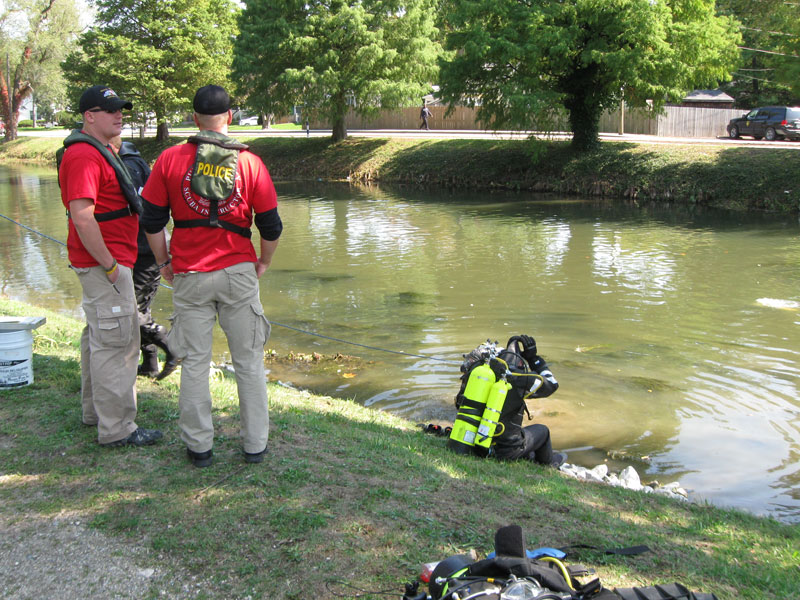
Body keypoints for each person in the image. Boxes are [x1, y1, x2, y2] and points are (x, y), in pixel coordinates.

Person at [140, 84, 282, 468]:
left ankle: (199, 447)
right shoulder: (250, 163)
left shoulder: (169, 160)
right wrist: (263, 263)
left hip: (189, 274)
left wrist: (164, 261)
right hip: (238, 272)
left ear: (193, 117)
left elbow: (151, 219)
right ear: (230, 117)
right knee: (249, 362)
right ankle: (255, 446)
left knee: (196, 362)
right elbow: (270, 226)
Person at [57, 85, 162, 447]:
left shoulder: (99, 152)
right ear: (89, 116)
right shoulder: (85, 157)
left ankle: (94, 413)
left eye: (122, 110)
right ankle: (117, 428)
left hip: (107, 263)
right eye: (111, 110)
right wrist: (112, 266)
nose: (120, 115)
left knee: (100, 337)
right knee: (117, 344)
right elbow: (84, 218)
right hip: (105, 266)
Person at [109, 135, 178, 380]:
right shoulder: (130, 161)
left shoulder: (127, 166)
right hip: (144, 247)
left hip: (142, 249)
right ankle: (149, 363)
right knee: (139, 307)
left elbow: (141, 211)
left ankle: (168, 344)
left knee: (131, 311)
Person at [450, 335, 566, 467]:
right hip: (505, 451)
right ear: (520, 363)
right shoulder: (518, 378)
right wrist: (534, 359)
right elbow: (552, 384)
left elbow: (459, 404)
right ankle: (549, 464)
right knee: (543, 431)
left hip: (472, 441)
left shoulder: (477, 373)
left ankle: (527, 453)